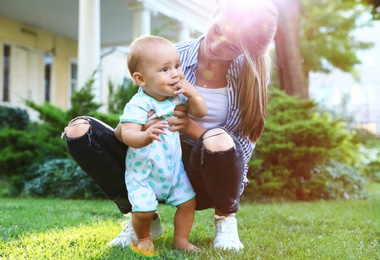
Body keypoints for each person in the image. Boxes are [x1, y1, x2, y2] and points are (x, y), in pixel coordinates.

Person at [62, 0, 278, 251]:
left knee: (217, 137)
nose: (217, 44)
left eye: (231, 45)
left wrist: (190, 127)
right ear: (216, 13)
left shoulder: (250, 75)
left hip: (205, 176)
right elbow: (136, 112)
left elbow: (240, 148)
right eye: (219, 30)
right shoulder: (171, 56)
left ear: (245, 51)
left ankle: (226, 218)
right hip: (153, 160)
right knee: (79, 131)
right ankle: (142, 216)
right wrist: (135, 131)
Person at [119, 35, 207, 252]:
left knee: (188, 204)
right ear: (141, 79)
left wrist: (192, 94)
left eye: (177, 66)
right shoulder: (138, 105)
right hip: (144, 174)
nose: (176, 73)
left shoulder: (177, 97)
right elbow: (127, 133)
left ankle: (181, 240)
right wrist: (145, 135)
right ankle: (144, 238)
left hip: (173, 171)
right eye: (165, 69)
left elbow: (200, 112)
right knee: (143, 212)